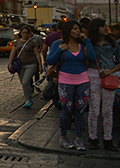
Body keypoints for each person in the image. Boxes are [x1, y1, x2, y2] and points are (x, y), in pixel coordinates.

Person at [47, 20, 95, 150]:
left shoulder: (82, 45)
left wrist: (88, 41)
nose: (78, 31)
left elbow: (91, 57)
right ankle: (63, 136)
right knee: (66, 110)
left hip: (82, 81)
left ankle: (79, 138)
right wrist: (59, 51)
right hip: (65, 81)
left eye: (79, 29)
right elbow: (50, 60)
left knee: (80, 110)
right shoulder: (59, 44)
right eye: (75, 29)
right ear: (68, 31)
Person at [86, 18, 120, 150]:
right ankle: (93, 137)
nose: (105, 28)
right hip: (93, 74)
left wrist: (109, 71)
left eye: (105, 26)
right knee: (94, 109)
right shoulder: (90, 43)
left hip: (109, 76)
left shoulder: (113, 44)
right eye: (102, 26)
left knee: (108, 110)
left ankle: (108, 138)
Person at [7, 25, 43, 108]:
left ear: (29, 34)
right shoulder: (17, 42)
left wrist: (40, 65)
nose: (25, 35)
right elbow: (12, 53)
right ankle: (28, 99)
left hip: (31, 64)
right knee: (23, 83)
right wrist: (10, 63)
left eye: (27, 33)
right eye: (23, 33)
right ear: (21, 33)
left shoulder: (32, 43)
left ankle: (29, 99)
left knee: (25, 82)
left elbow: (37, 54)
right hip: (20, 65)